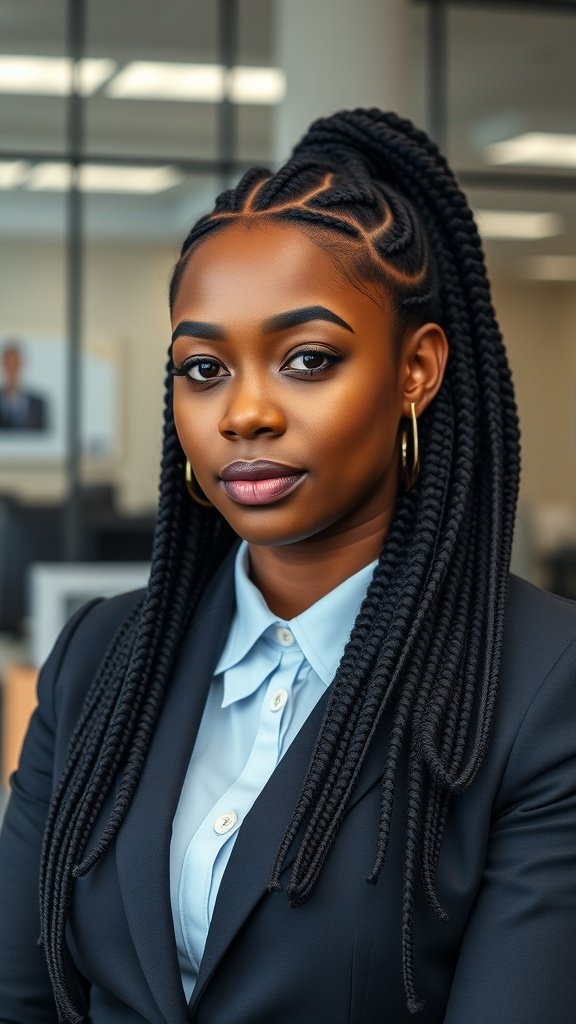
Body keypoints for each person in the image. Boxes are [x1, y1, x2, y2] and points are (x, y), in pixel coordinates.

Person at [1, 108, 575, 1024]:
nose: (245, 414)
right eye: (203, 369)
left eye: (307, 359)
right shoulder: (100, 658)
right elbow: (20, 992)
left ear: (417, 370)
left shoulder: (540, 682)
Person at [0, 340, 49, 432]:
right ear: (3, 366)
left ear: (21, 365)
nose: (12, 370)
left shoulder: (37, 404)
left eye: (15, 364)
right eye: (8, 364)